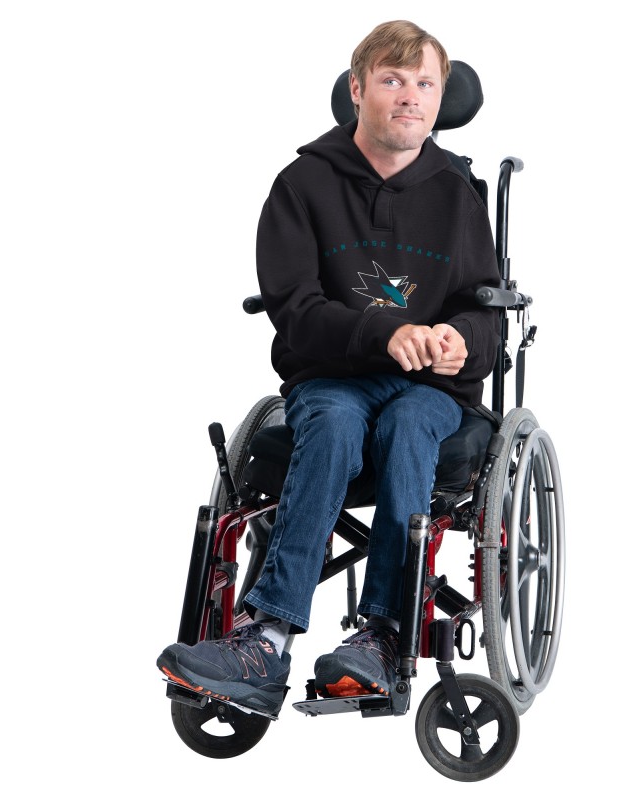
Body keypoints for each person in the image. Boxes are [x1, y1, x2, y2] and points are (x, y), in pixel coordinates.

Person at [157, 20, 499, 717]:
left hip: (430, 391)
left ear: (442, 98)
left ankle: (381, 635)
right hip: (331, 378)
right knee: (337, 423)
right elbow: (295, 308)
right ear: (357, 90)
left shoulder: (457, 193)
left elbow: (486, 314)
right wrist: (386, 332)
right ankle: (267, 639)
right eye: (392, 79)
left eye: (425, 83)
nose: (410, 96)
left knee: (409, 425)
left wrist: (461, 339)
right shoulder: (302, 184)